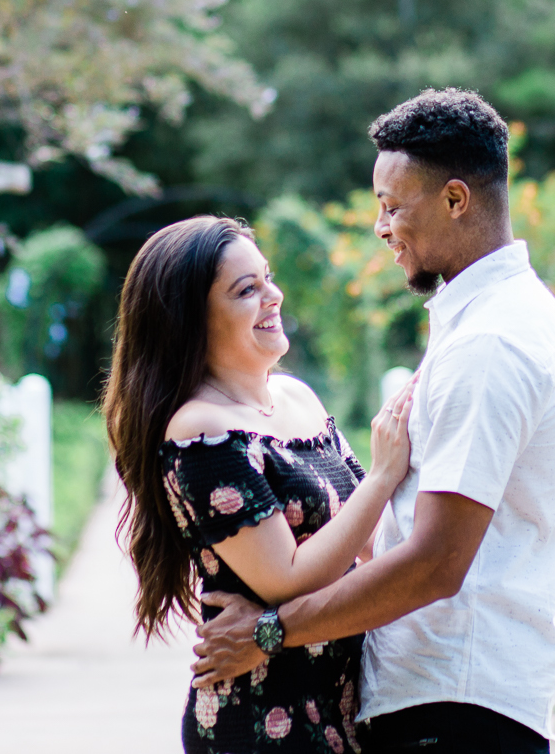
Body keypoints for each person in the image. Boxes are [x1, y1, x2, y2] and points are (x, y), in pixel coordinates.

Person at [193, 88, 555, 754]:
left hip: (456, 706)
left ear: (456, 199)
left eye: (391, 205)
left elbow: (436, 562)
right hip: (458, 699)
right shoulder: (505, 316)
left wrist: (269, 630)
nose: (380, 225)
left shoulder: (489, 342)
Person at [104, 214, 418, 753]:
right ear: (191, 320)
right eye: (246, 289)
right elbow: (285, 578)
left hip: (346, 705)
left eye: (266, 278)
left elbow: (371, 537)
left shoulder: (297, 398)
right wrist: (385, 473)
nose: (272, 295)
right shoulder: (200, 430)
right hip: (261, 722)